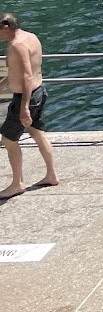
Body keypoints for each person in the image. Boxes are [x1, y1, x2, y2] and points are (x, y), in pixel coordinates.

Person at [0, 14, 58, 201]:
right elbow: (25, 70)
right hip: (39, 91)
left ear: (6, 27)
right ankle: (51, 175)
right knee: (37, 132)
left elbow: (26, 76)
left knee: (8, 140)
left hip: (26, 97)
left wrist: (24, 106)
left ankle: (17, 183)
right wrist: (4, 83)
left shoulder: (17, 45)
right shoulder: (30, 37)